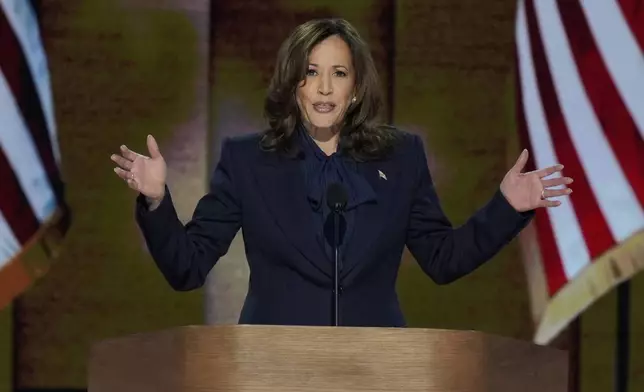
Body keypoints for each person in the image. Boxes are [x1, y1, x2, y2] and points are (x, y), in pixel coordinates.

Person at [110, 18, 572, 327]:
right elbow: (187, 267)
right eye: (311, 72)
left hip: (376, 369)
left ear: (355, 88)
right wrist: (155, 201)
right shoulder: (247, 161)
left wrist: (507, 207)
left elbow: (443, 259)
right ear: (294, 84)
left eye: (339, 73)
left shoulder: (401, 157)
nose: (325, 88)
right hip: (274, 370)